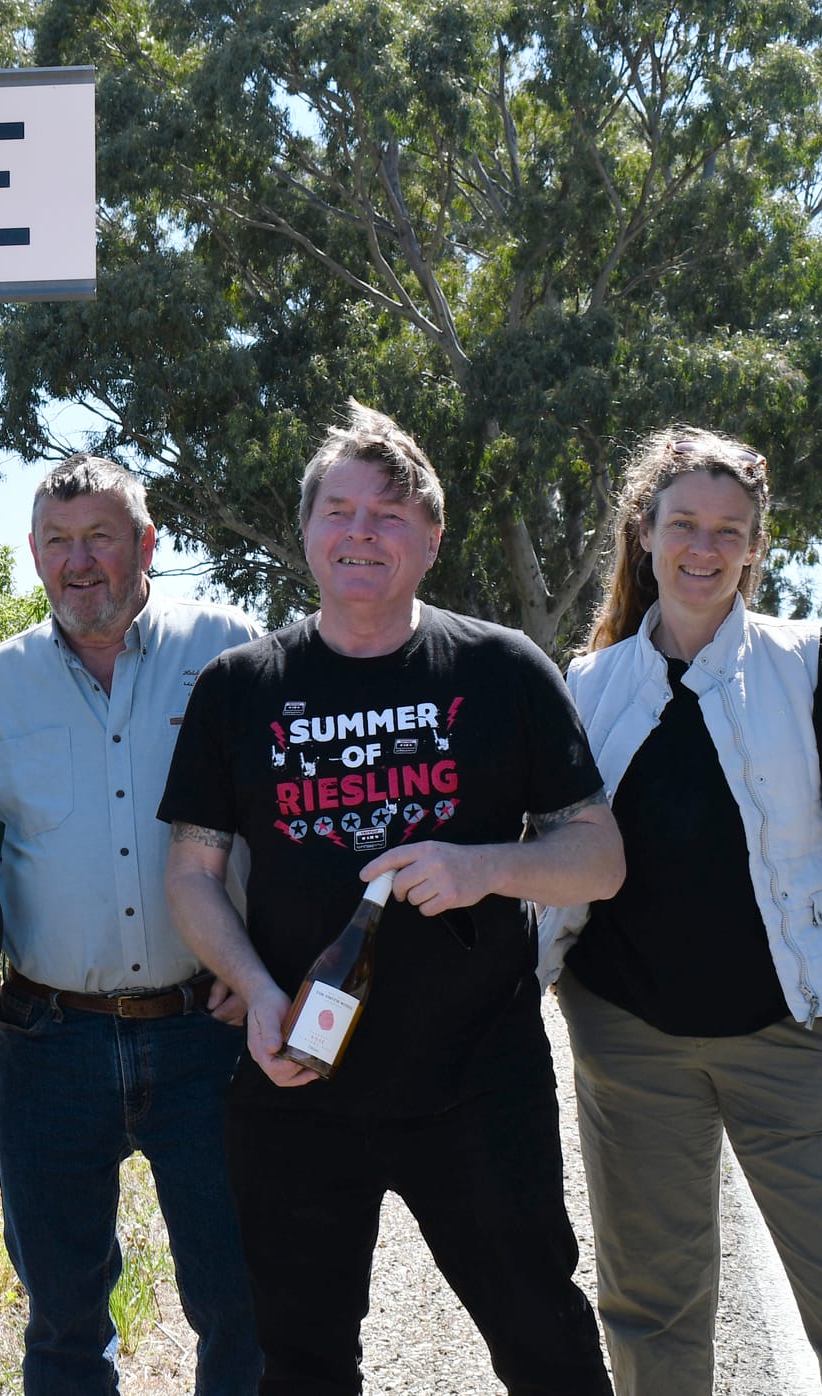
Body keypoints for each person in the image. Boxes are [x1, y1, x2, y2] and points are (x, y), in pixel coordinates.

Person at [159, 401, 623, 1395]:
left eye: (388, 513)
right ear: (305, 532)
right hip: (299, 1082)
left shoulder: (500, 670)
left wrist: (482, 866)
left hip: (476, 1082)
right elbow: (191, 875)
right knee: (302, 1360)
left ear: (430, 539)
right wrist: (251, 985)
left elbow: (597, 856)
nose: (359, 532)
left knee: (544, 1342)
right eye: (338, 510)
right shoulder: (238, 687)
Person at [538, 428, 822, 1394]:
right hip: (629, 1042)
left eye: (731, 530)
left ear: (758, 545)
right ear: (645, 533)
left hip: (797, 1034)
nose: (705, 549)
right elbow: (554, 857)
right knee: (651, 1312)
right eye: (684, 524)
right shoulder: (588, 689)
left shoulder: (812, 666)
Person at [0, 454, 263, 1393]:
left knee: (240, 1301)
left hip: (209, 1032)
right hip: (50, 1043)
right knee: (66, 1317)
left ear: (147, 545)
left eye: (101, 538)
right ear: (34, 557)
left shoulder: (229, 650)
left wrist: (265, 959)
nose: (80, 563)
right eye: (57, 543)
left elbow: (282, 823)